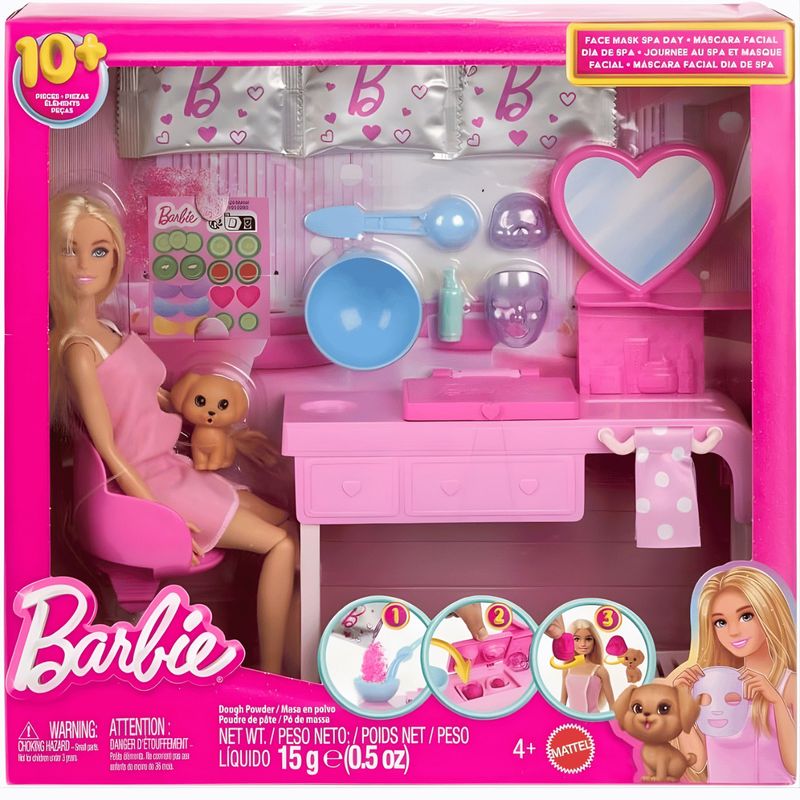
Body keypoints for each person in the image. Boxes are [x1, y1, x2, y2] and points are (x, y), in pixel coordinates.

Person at [50, 192, 296, 675]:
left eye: (98, 251)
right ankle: (272, 676)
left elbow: (160, 400)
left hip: (173, 467)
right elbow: (109, 447)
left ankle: (296, 650)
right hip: (153, 483)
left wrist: (231, 435)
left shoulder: (107, 329)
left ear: (115, 256)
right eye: (68, 250)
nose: (83, 265)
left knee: (289, 525)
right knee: (281, 544)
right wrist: (160, 514)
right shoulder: (78, 349)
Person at [670, 565, 796, 783]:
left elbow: (795, 766)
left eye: (746, 616)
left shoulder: (791, 685)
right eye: (720, 622)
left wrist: (776, 702)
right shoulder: (713, 683)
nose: (733, 631)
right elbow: (697, 762)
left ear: (769, 613)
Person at [560, 619, 615, 714]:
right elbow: (562, 702)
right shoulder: (567, 668)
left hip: (594, 718)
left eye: (588, 639)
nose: (583, 644)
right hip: (572, 720)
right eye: (577, 639)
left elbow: (612, 705)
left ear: (595, 642)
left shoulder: (600, 670)